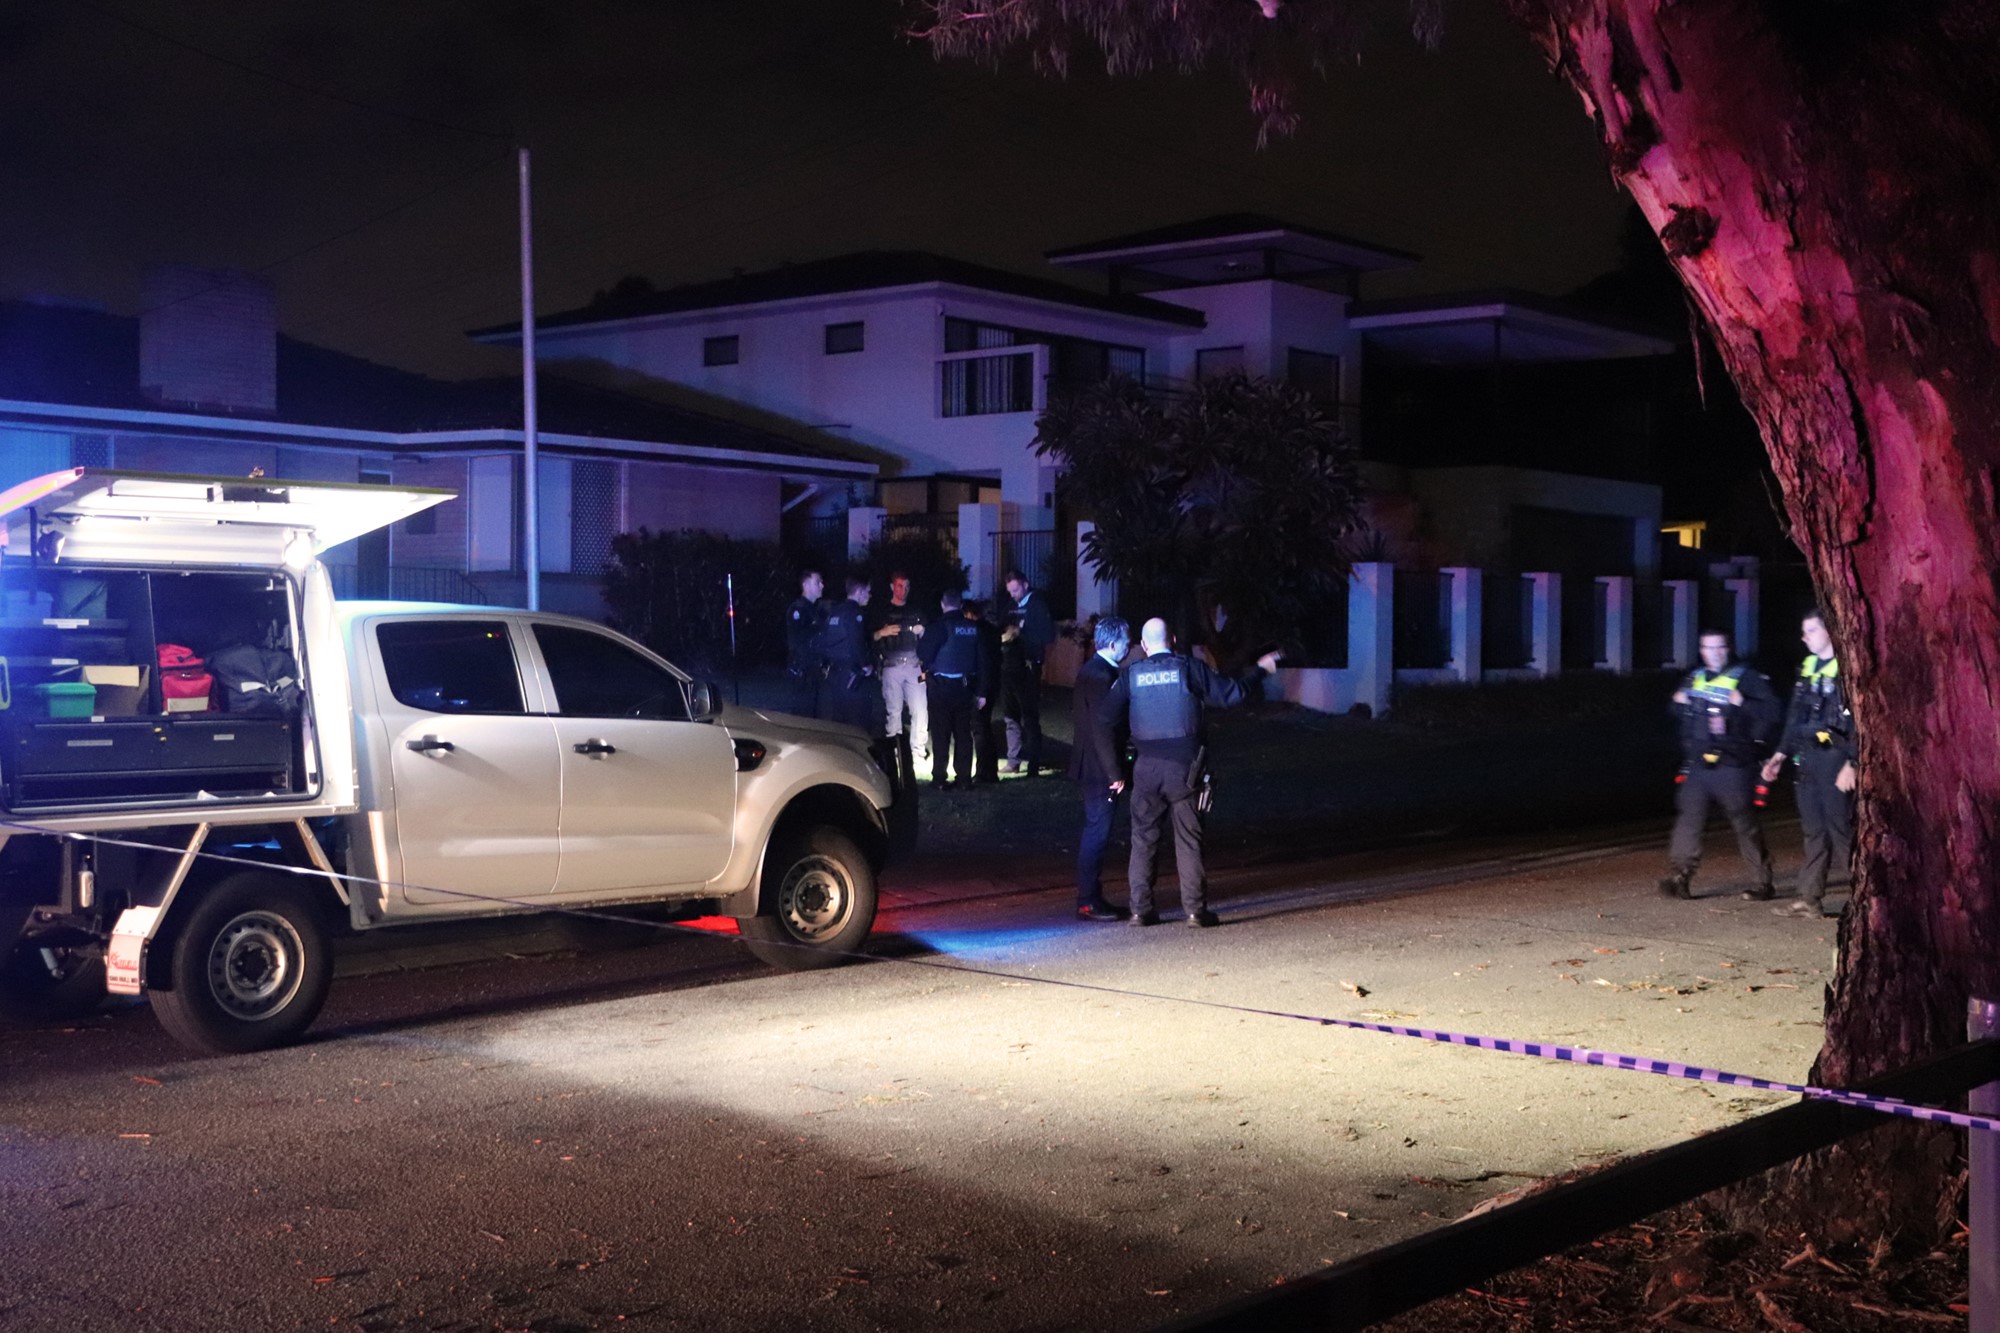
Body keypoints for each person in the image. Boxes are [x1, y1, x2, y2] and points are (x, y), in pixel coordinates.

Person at [1098, 618, 1279, 928]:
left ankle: (1140, 910)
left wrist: (1117, 768)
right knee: (1188, 839)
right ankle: (1195, 911)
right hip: (1185, 769)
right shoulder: (1189, 668)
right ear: (1174, 639)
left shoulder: (1131, 675)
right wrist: (1261, 670)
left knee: (1142, 840)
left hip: (1146, 769)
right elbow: (1230, 694)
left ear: (1143, 646)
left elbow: (1105, 720)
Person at [1658, 629, 1781, 902]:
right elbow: (1679, 712)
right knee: (1689, 820)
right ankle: (1681, 877)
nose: (1713, 653)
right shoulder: (1696, 678)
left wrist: (1743, 702)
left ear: (1729, 649)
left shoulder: (1746, 678)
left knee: (1743, 822)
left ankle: (1762, 883)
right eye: (1707, 647)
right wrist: (1678, 703)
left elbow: (1773, 712)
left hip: (1733, 764)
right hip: (1699, 765)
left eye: (1719, 647)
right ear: (1701, 650)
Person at [1761, 609, 1857, 917]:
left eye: (1811, 631)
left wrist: (1853, 763)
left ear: (1829, 631)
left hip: (1836, 757)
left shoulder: (1848, 668)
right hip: (1809, 758)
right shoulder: (1808, 668)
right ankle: (1808, 897)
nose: (1805, 638)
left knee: (1842, 830)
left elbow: (1861, 721)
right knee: (1814, 830)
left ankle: (1868, 901)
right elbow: (1795, 716)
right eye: (1804, 632)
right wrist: (1780, 753)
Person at [1070, 615, 1132, 921]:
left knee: (1097, 830)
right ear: (1112, 643)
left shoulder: (1095, 670)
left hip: (1092, 766)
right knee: (1097, 831)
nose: (1129, 645)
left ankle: (1091, 897)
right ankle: (1088, 899)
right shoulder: (1101, 676)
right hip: (1098, 770)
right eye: (1125, 640)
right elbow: (1102, 728)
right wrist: (1114, 772)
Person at [918, 589, 996, 790]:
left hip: (941, 687)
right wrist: (982, 692)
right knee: (963, 734)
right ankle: (963, 778)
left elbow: (923, 653)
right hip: (965, 688)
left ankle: (939, 779)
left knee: (941, 733)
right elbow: (983, 662)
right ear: (960, 605)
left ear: (943, 605)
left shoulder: (938, 627)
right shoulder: (973, 628)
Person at [998, 569, 1056, 776]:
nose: (1013, 594)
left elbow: (1048, 635)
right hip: (1009, 667)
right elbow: (1001, 627)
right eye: (1010, 591)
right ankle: (1013, 761)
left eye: (1015, 590)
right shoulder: (1011, 607)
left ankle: (1033, 764)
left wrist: (1021, 634)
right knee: (1010, 715)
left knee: (1029, 717)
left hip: (1028, 668)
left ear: (1025, 584)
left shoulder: (1037, 606)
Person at [871, 571, 930, 766]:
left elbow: (929, 640)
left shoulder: (916, 611)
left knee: (920, 709)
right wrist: (882, 632)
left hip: (915, 666)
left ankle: (918, 751)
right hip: (891, 667)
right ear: (891, 587)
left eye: (906, 586)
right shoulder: (882, 611)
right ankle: (895, 750)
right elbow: (870, 638)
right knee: (894, 710)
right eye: (899, 586)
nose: (903, 590)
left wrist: (923, 633)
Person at [812, 574, 874, 729]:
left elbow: (824, 640)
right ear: (859, 592)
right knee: (857, 720)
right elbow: (856, 642)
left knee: (838, 718)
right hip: (850, 672)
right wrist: (866, 665)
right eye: (868, 591)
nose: (869, 595)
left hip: (834, 672)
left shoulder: (835, 611)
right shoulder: (855, 613)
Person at [783, 569, 825, 717]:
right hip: (804, 671)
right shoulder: (799, 610)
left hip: (814, 671)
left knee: (815, 714)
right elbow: (798, 642)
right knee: (804, 715)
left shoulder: (816, 610)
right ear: (806, 585)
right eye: (817, 582)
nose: (822, 585)